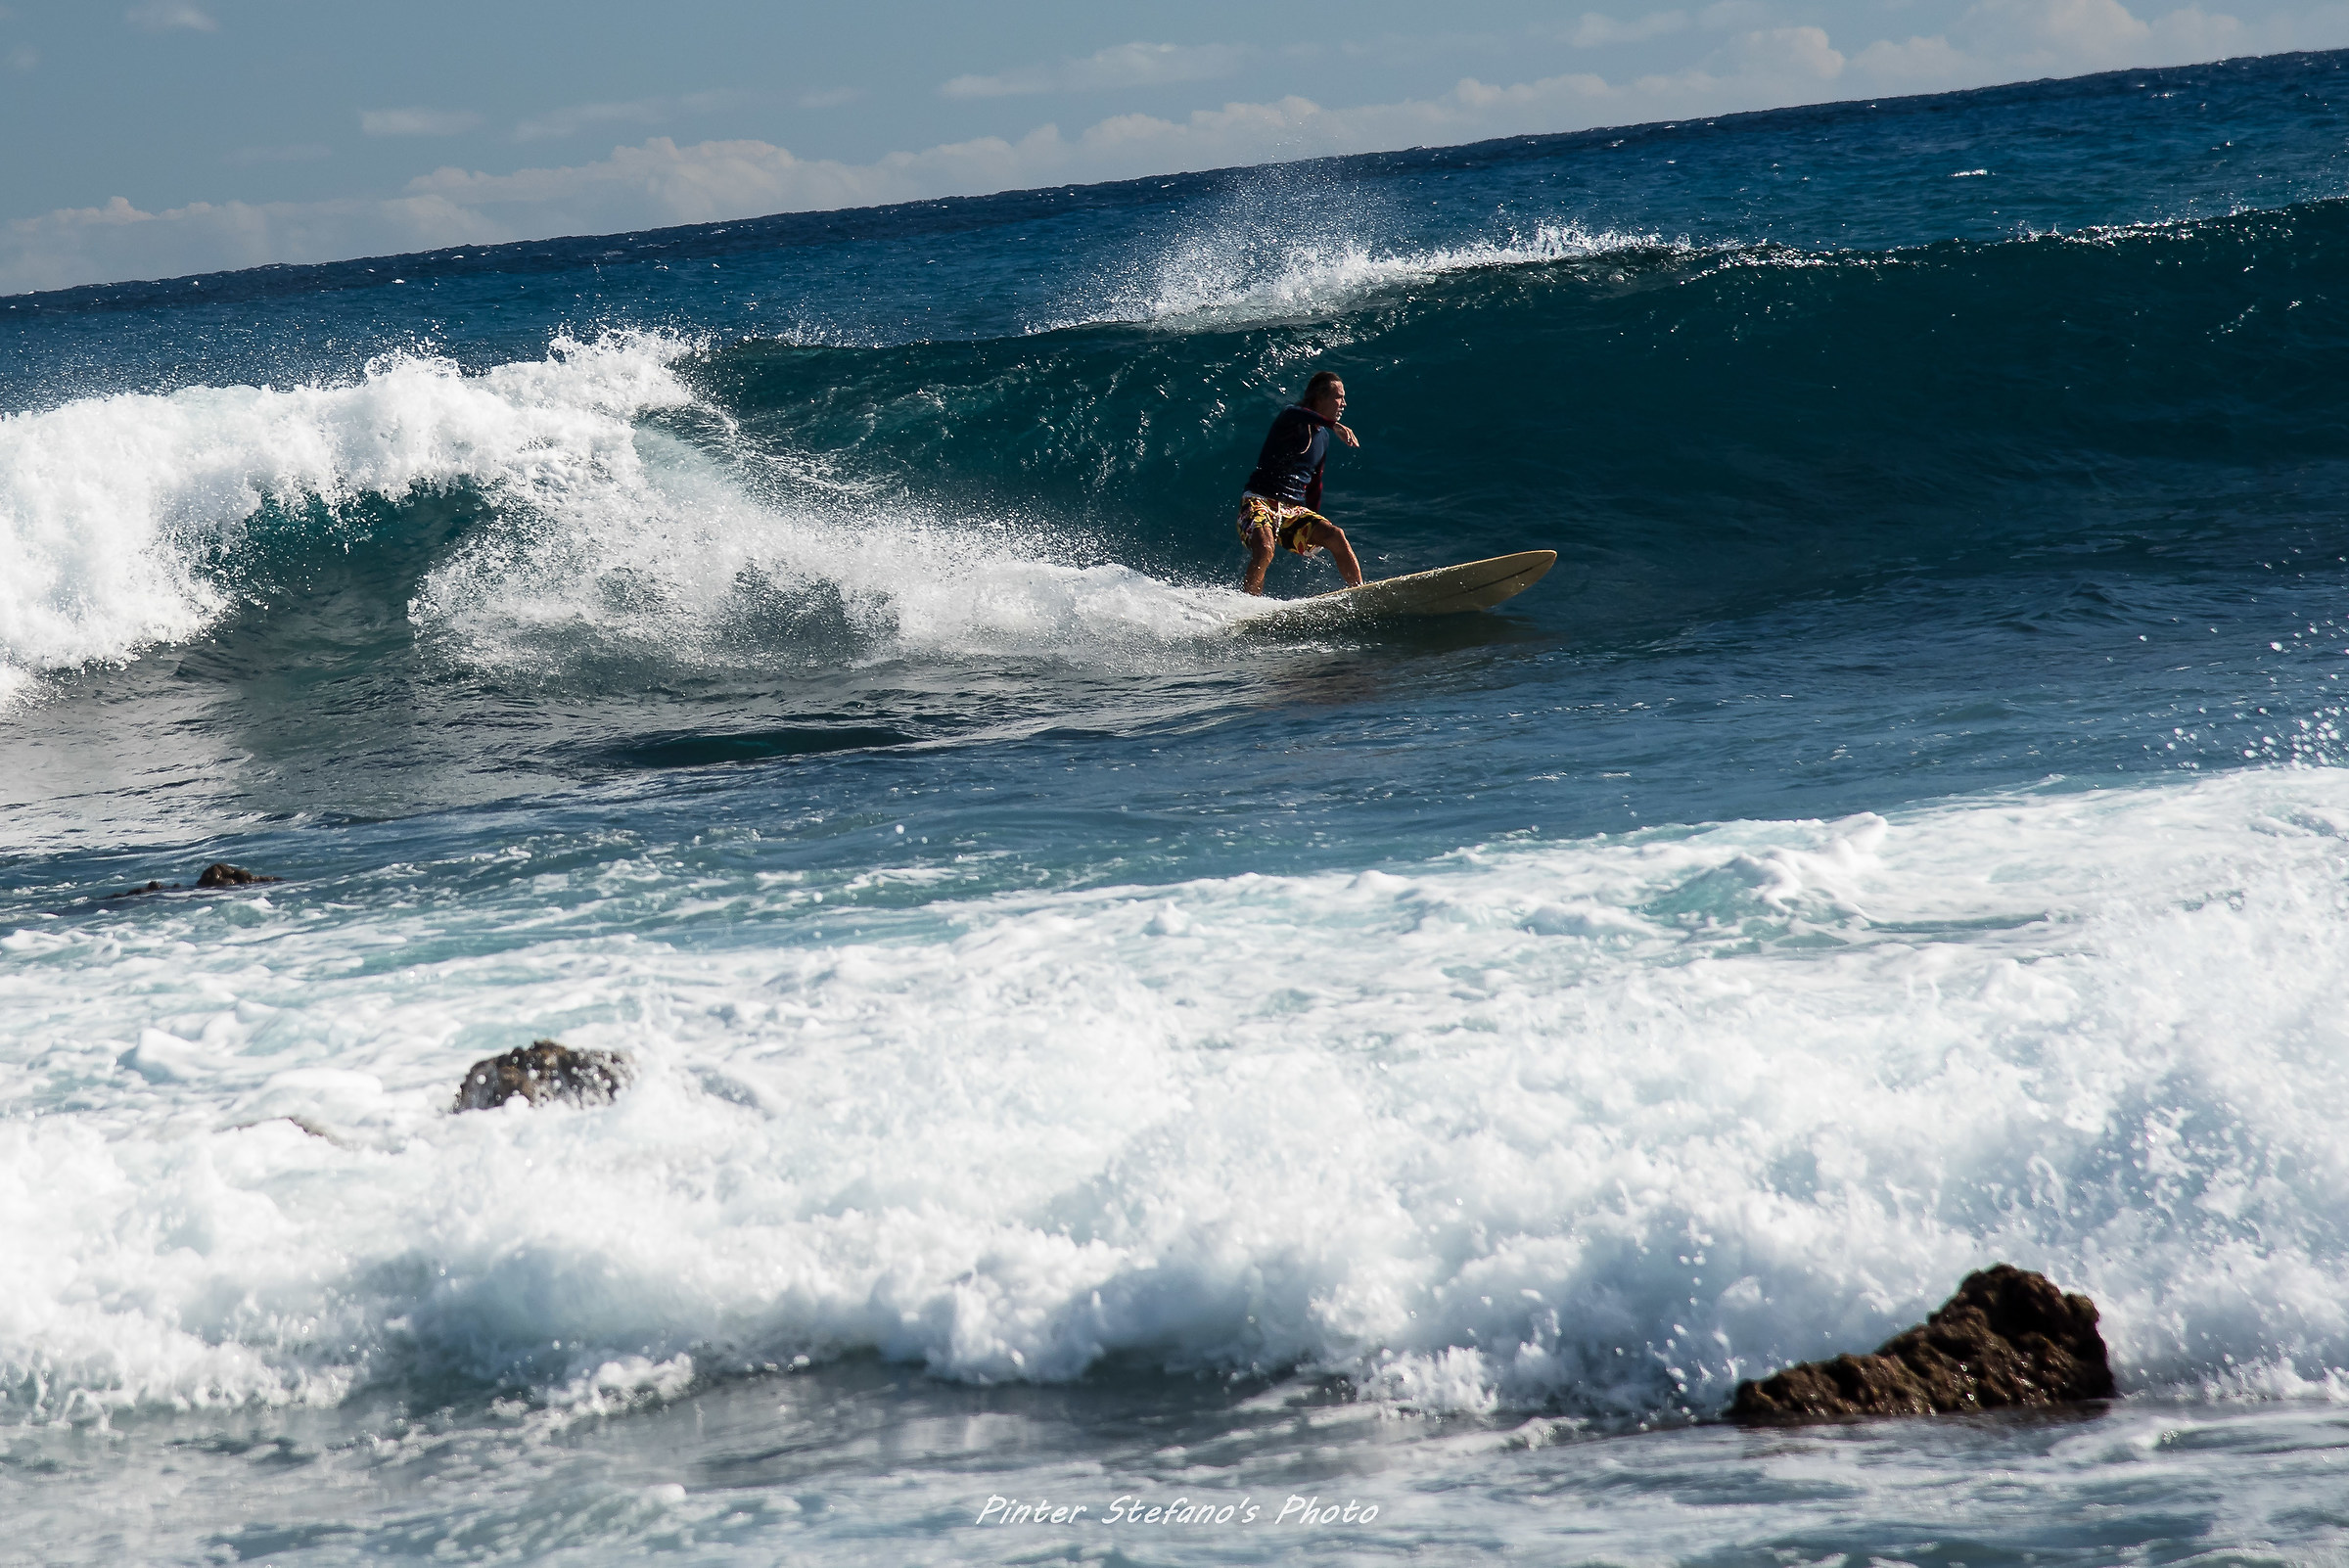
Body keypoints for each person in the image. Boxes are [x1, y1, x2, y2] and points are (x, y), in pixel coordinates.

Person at [1236, 370, 1362, 595]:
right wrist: (1333, 425)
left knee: (1335, 535)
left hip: (1292, 511)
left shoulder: (1323, 437)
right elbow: (1294, 412)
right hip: (1258, 501)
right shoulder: (1291, 418)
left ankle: (1360, 593)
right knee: (1265, 549)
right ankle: (1248, 603)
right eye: (1338, 397)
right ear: (1320, 397)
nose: (1344, 403)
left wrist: (1313, 522)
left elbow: (1315, 483)